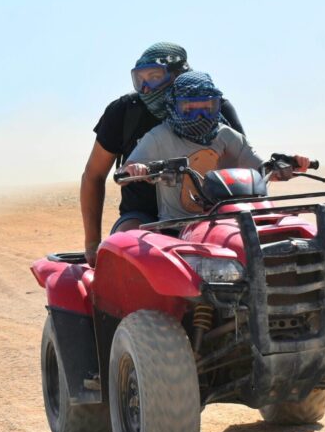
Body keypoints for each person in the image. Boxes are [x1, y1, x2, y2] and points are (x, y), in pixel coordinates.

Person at [80, 42, 244, 265]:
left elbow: (243, 164)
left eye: (154, 77)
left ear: (178, 75)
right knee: (130, 251)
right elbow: (94, 174)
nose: (146, 88)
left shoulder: (212, 107)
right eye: (140, 79)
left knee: (249, 250)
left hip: (210, 214)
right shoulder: (124, 112)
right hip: (144, 218)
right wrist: (92, 244)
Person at [121, 72, 310, 221]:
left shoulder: (227, 135)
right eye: (189, 109)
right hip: (177, 228)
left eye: (207, 108)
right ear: (173, 106)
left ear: (217, 106)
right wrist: (134, 169)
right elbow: (123, 174)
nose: (199, 116)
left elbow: (262, 172)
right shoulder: (159, 137)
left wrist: (288, 168)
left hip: (227, 222)